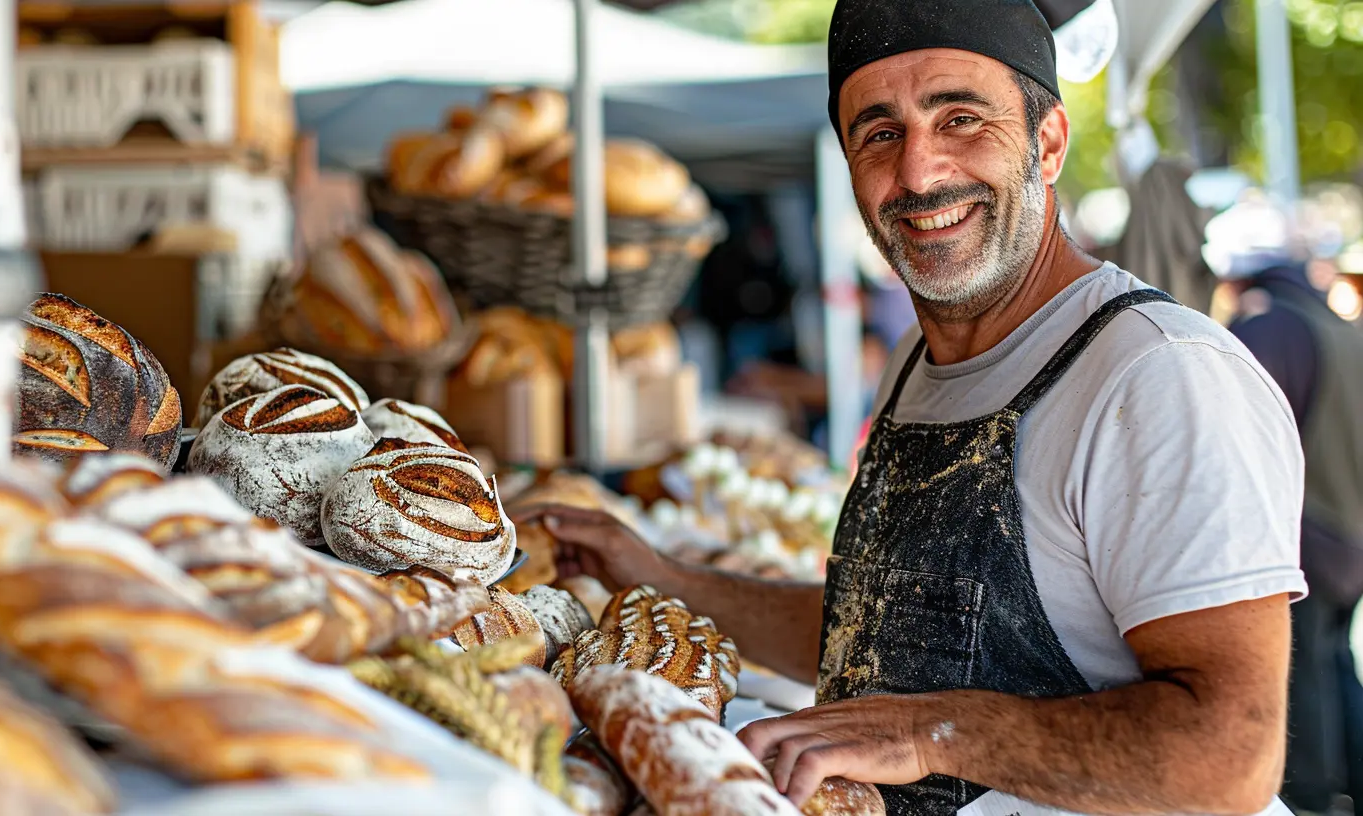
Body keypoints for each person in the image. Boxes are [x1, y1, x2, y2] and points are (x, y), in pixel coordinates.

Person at [515, 0, 1307, 812]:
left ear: (1047, 143)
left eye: (961, 119)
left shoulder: (1157, 374)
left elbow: (1229, 757)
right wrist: (661, 577)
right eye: (880, 133)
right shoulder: (915, 364)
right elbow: (888, 633)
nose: (920, 173)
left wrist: (931, 734)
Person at [1216, 208, 1363, 814]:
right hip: (1347, 530)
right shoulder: (1334, 323)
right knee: (1333, 663)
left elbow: (1235, 435)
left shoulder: (1270, 328)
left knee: (1303, 678)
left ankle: (1313, 799)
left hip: (1305, 535)